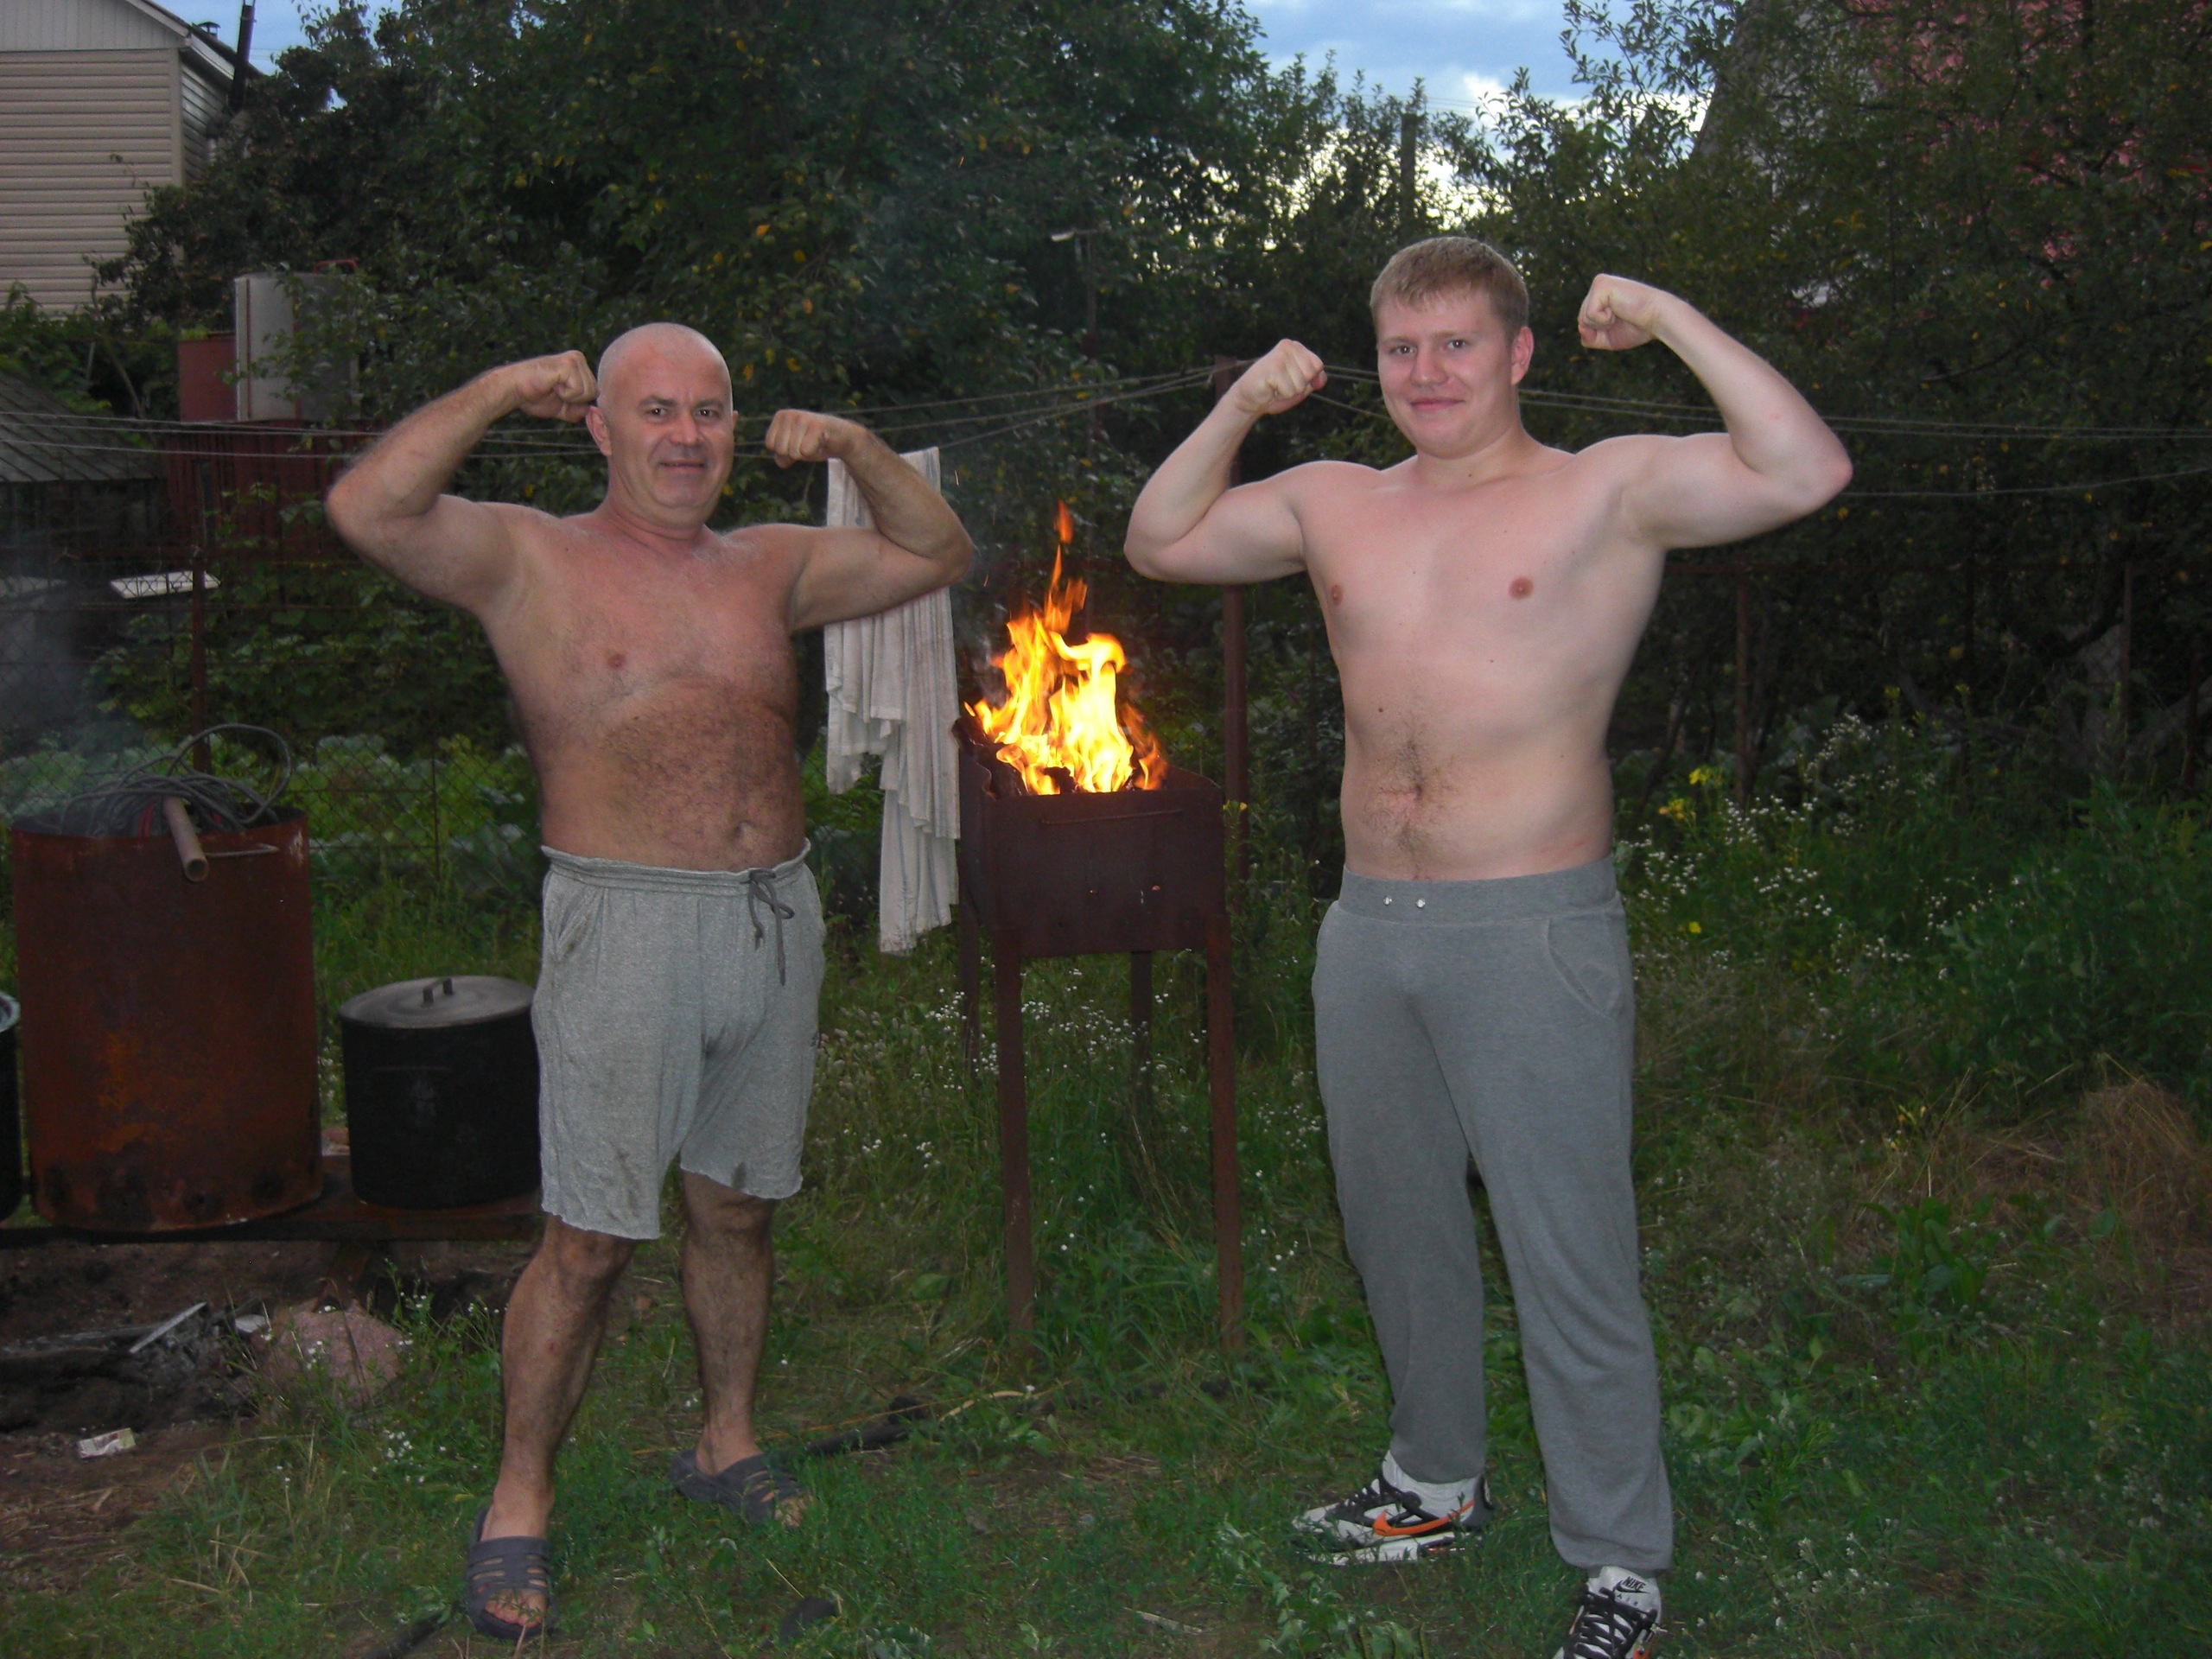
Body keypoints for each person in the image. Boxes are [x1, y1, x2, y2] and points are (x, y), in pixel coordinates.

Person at [1123, 238, 1849, 1659]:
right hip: (1368, 930)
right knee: (1394, 1226)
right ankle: (1433, 1479)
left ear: (1519, 353)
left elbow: (1805, 466)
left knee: (1568, 1251)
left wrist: (1670, 312)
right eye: (1402, 348)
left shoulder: (1604, 491)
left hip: (1530, 929)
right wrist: (1240, 408)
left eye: (1457, 343)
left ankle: (1621, 1563)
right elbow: (1160, 539)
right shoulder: (1337, 500)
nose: (1427, 372)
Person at [325, 323, 972, 1642]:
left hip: (771, 919)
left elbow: (935, 551)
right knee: (589, 1240)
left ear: (735, 429)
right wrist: (499, 383)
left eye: (710, 413)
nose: (687, 437)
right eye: (658, 412)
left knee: (737, 1210)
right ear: (600, 428)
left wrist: (855, 446)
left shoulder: (769, 565)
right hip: (624, 928)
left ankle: (728, 1441)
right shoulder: (528, 558)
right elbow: (366, 508)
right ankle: (518, 1505)